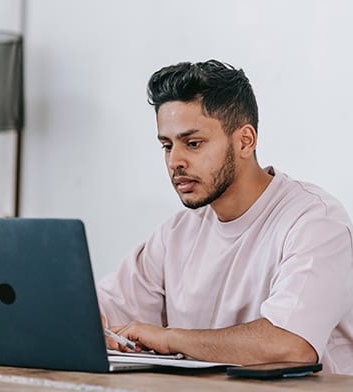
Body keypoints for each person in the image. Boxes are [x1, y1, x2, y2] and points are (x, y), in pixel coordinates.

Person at [97, 60, 353, 374]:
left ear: (245, 141)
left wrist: (170, 338)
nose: (175, 161)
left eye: (193, 144)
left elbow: (291, 345)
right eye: (167, 145)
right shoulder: (176, 234)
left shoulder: (315, 222)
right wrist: (85, 316)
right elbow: (105, 308)